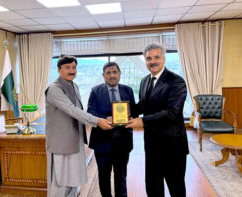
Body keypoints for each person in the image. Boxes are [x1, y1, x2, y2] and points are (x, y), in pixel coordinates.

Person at [126, 43, 189, 197]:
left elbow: (172, 113)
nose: (152, 61)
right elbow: (142, 105)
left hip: (172, 145)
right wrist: (122, 113)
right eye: (148, 58)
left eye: (156, 57)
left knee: (176, 187)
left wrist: (143, 121)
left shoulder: (176, 81)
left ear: (164, 59)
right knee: (153, 185)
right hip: (152, 143)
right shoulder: (145, 80)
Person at [45, 56, 112, 197]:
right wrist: (98, 121)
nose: (71, 70)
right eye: (67, 67)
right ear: (59, 69)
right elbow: (73, 110)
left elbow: (79, 112)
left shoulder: (74, 85)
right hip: (60, 144)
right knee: (59, 184)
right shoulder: (53, 89)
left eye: (74, 67)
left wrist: (102, 119)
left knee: (73, 181)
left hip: (75, 141)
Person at [87, 62, 136, 197]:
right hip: (102, 142)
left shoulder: (128, 90)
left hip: (123, 141)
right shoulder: (95, 91)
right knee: (104, 176)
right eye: (108, 73)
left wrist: (131, 117)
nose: (112, 75)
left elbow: (134, 111)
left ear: (119, 74)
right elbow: (91, 112)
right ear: (103, 75)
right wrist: (105, 119)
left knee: (121, 176)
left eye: (115, 72)